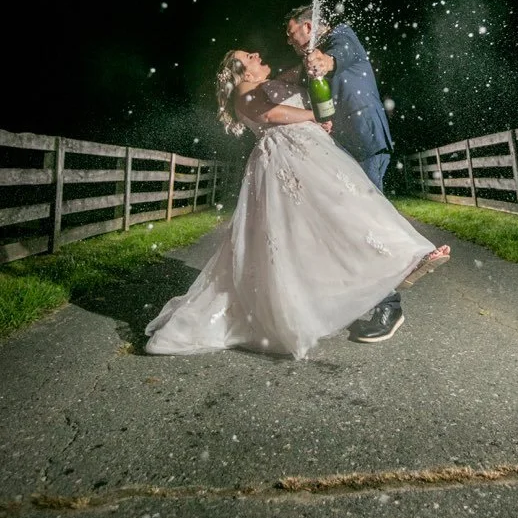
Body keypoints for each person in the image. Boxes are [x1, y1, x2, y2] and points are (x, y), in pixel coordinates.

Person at [145, 48, 449, 360]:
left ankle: (399, 259)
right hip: (288, 157)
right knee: (340, 211)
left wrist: (313, 64)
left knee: (340, 212)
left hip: (309, 151)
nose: (256, 54)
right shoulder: (244, 90)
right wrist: (315, 116)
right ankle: (401, 258)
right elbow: (269, 115)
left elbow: (300, 75)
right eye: (248, 57)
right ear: (242, 72)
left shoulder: (269, 83)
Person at [285, 4, 410, 342]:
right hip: (344, 148)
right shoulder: (309, 61)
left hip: (366, 141)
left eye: (291, 33)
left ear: (308, 27)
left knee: (367, 223)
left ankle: (390, 306)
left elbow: (337, 56)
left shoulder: (342, 36)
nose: (289, 40)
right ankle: (359, 295)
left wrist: (325, 62)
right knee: (347, 222)